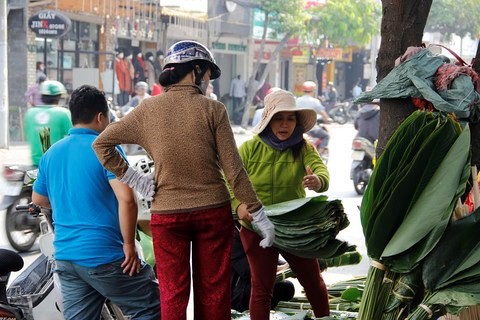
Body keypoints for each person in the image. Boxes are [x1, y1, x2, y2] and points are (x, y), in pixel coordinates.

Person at [93, 40, 275, 320]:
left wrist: (134, 178)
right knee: (214, 293)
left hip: (167, 215)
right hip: (212, 212)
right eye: (206, 75)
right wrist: (257, 211)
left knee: (173, 295)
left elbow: (101, 144)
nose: (207, 82)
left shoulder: (146, 110)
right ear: (196, 70)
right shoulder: (213, 110)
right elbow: (234, 170)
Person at [31, 85, 160, 320]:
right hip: (105, 256)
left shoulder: (52, 153)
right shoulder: (106, 149)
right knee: (151, 307)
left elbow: (39, 199)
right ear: (101, 117)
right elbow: (127, 200)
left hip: (67, 258)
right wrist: (129, 245)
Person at [232, 89, 330, 319]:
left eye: (290, 118)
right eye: (278, 118)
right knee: (262, 288)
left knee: (313, 282)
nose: (284, 124)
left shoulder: (304, 147)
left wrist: (318, 181)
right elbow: (230, 181)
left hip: (295, 227)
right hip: (256, 227)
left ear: (296, 122)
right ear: (268, 119)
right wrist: (238, 206)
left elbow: (320, 169)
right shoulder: (249, 148)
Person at [231, 222, 295, 312]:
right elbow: (247, 271)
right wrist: (281, 268)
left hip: (254, 282)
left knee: (287, 289)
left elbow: (268, 257)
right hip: (238, 291)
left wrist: (291, 267)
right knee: (284, 287)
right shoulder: (231, 234)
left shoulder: (254, 227)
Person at [23, 80, 72, 166]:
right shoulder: (63, 113)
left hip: (35, 163)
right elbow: (72, 137)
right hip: (56, 163)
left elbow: (28, 135)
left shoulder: (30, 113)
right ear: (59, 97)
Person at [296, 81, 331, 152]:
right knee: (326, 136)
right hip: (311, 128)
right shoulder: (315, 101)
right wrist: (328, 120)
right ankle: (319, 156)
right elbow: (323, 113)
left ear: (303, 90)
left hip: (298, 128)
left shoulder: (297, 100)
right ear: (313, 91)